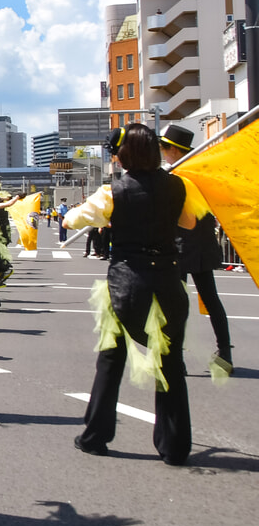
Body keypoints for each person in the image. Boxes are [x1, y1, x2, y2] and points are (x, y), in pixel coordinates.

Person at [65, 124, 197, 466]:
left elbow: (71, 221)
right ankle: (175, 446)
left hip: (127, 284)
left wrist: (108, 217)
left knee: (111, 361)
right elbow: (189, 223)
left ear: (124, 155)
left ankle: (95, 436)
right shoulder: (178, 185)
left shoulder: (114, 192)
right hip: (168, 282)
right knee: (170, 363)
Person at [159, 125, 231, 376]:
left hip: (180, 246)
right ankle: (225, 353)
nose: (162, 152)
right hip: (201, 244)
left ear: (173, 150)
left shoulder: (176, 176)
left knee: (175, 303)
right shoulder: (199, 172)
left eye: (164, 148)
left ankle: (175, 357)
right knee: (211, 299)